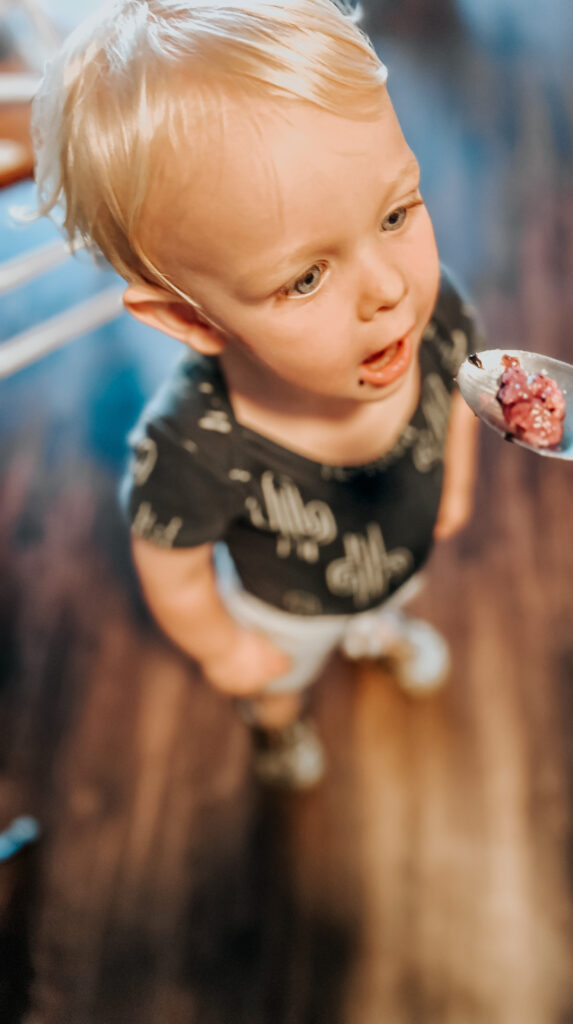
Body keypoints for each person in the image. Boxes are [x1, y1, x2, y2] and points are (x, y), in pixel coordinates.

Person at [30, 0, 481, 788]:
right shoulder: (193, 445)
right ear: (187, 318)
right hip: (283, 614)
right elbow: (169, 558)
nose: (391, 290)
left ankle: (378, 629)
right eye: (306, 277)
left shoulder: (435, 307)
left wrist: (458, 482)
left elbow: (465, 385)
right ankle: (277, 726)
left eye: (396, 212)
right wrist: (221, 646)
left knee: (385, 602)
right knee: (278, 680)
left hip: (399, 550)